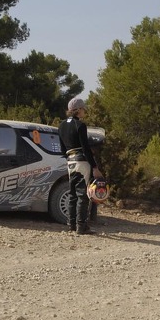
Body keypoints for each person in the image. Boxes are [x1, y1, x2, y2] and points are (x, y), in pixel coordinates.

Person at [58, 97, 104, 235]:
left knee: (72, 193)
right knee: (82, 195)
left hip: (70, 162)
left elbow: (62, 149)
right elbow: (86, 149)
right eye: (83, 108)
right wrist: (95, 167)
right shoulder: (81, 126)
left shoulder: (61, 125)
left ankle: (71, 224)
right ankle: (81, 226)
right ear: (78, 110)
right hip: (82, 161)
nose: (85, 111)